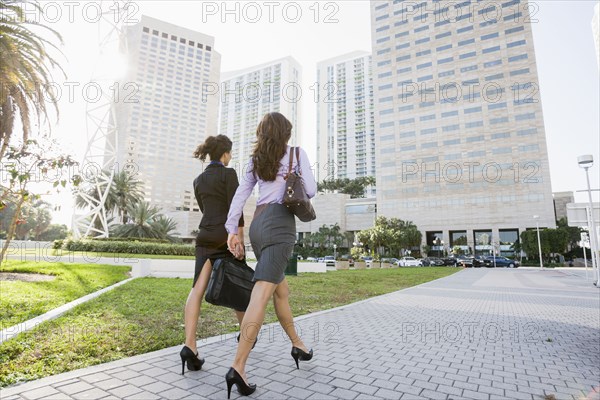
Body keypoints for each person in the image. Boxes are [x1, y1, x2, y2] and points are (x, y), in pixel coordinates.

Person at [224, 112, 317, 398]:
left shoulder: (255, 161)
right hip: (280, 226)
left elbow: (241, 195)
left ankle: (298, 345)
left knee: (280, 291)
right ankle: (238, 366)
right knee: (262, 294)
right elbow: (310, 191)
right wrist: (295, 175)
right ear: (286, 133)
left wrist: (231, 230)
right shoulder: (296, 154)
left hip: (258, 226)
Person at [180, 134, 246, 376]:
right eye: (230, 154)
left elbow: (206, 209)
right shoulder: (229, 174)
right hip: (226, 236)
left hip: (205, 236)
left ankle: (190, 346)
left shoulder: (198, 180)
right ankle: (246, 335)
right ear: (225, 154)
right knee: (239, 287)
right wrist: (239, 238)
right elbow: (235, 209)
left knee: (197, 289)